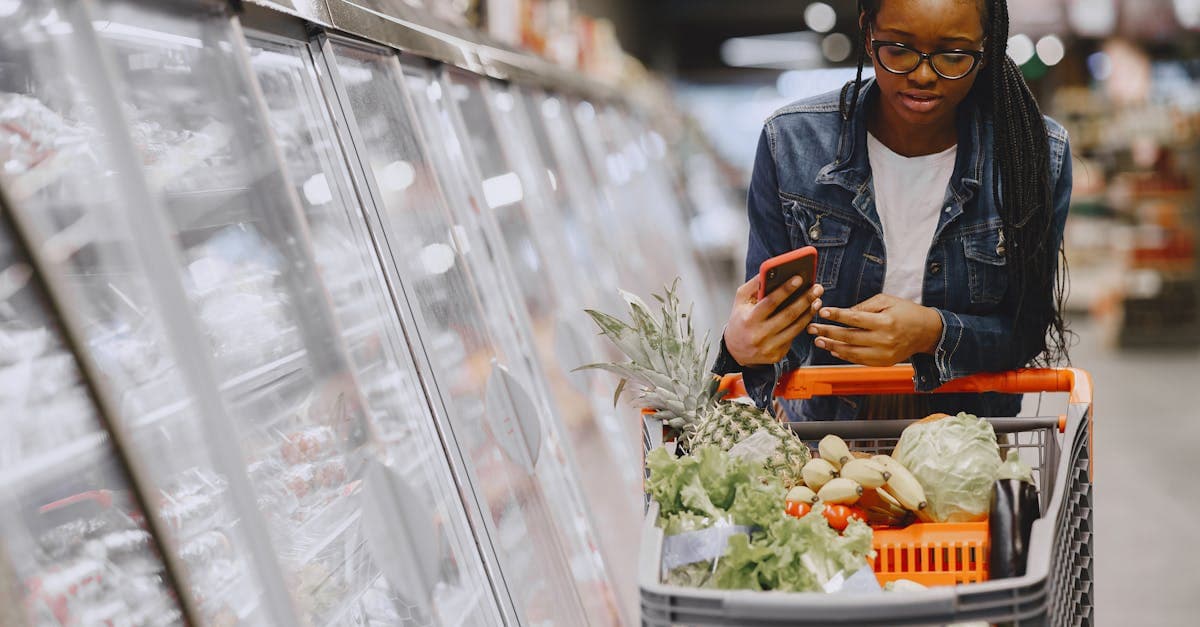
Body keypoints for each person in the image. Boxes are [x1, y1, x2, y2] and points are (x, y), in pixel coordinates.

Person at [712, 0, 1073, 420]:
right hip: (823, 451)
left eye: (953, 56)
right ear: (868, 32)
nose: (922, 75)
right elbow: (775, 328)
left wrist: (930, 332)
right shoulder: (792, 144)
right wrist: (743, 345)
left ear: (987, 46)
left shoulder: (1033, 155)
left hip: (969, 444)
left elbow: (1025, 330)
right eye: (899, 49)